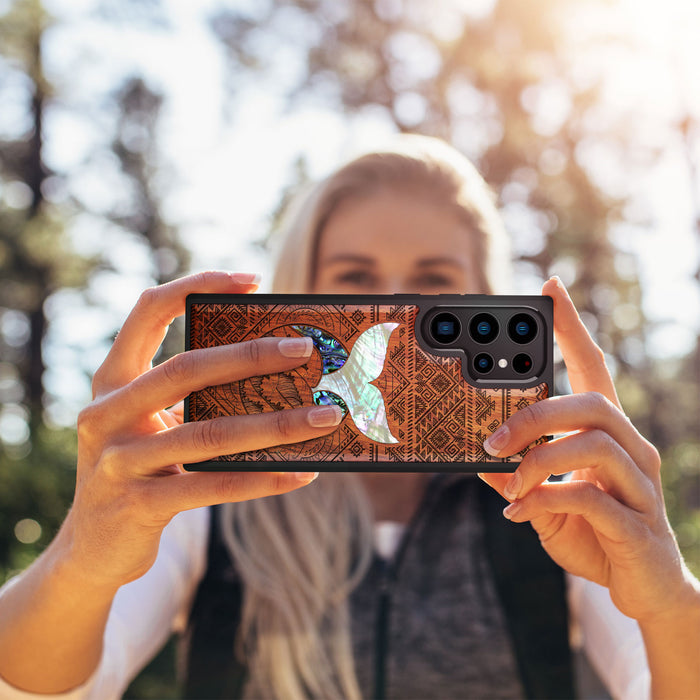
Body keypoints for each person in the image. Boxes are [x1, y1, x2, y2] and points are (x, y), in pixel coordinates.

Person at [0, 135, 698, 700]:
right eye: (355, 278)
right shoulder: (206, 494)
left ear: (485, 301)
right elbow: (43, 687)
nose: (393, 301)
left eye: (433, 280)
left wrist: (669, 603)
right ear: (298, 295)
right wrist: (81, 559)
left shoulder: (552, 499)